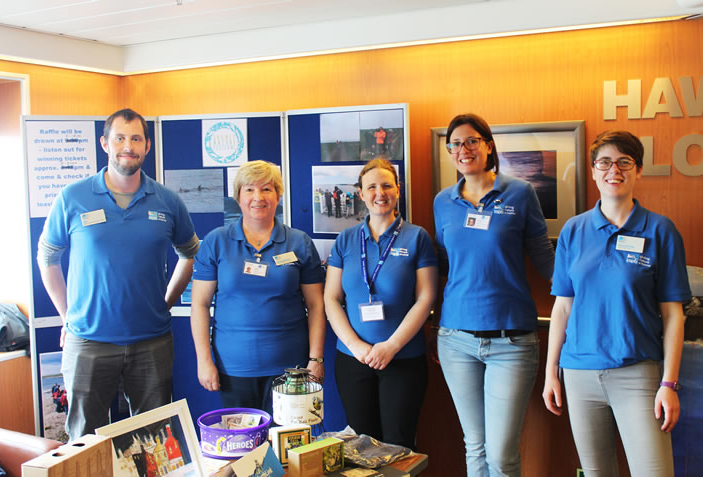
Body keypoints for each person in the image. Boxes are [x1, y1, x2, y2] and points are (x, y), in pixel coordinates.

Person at [37, 108, 199, 440]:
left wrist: (166, 302)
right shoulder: (73, 197)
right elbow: (47, 257)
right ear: (105, 143)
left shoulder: (167, 201)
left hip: (151, 340)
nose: (128, 146)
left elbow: (190, 253)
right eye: (120, 138)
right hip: (88, 342)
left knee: (154, 439)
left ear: (147, 146)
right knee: (84, 439)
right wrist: (68, 317)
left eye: (136, 138)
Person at [543, 131, 691, 477]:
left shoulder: (660, 231)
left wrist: (669, 384)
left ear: (638, 170)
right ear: (593, 171)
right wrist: (552, 372)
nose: (615, 170)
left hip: (638, 373)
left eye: (625, 162)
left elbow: (673, 316)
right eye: (605, 162)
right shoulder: (574, 231)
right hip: (579, 374)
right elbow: (562, 307)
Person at [433, 113, 554, 476]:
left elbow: (544, 258)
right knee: (475, 447)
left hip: (512, 341)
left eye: (472, 141)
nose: (463, 149)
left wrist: (583, 292)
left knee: (501, 455)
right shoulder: (443, 201)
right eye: (455, 143)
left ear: (488, 145)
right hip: (456, 340)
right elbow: (443, 263)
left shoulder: (520, 192)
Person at [190, 160, 326, 416]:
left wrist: (316, 360)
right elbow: (199, 305)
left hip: (292, 369)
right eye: (249, 189)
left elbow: (317, 305)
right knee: (245, 449)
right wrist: (204, 359)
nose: (258, 197)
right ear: (238, 197)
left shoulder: (299, 242)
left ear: (278, 195)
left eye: (266, 189)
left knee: (290, 449)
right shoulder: (217, 241)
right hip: (233, 369)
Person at [324, 158, 437, 450]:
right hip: (353, 359)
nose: (380, 192)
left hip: (403, 358)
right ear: (360, 193)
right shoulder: (346, 240)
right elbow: (331, 299)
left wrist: (391, 346)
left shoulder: (417, 237)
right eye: (371, 186)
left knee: (398, 445)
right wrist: (357, 346)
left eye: (387, 185)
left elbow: (425, 298)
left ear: (398, 190)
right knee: (361, 445)